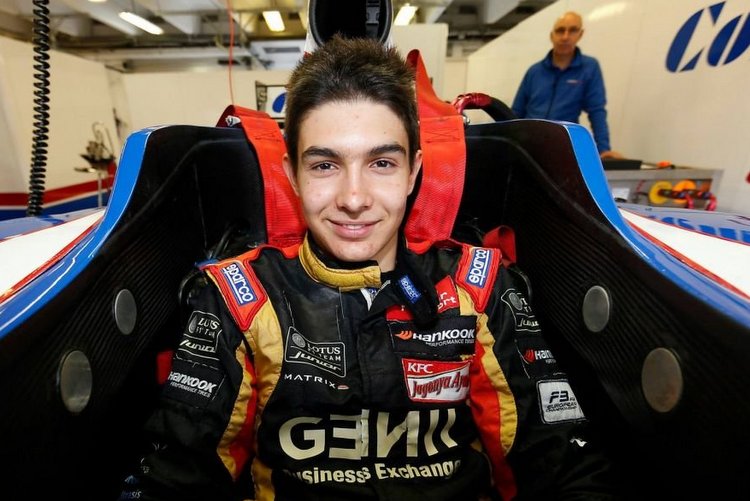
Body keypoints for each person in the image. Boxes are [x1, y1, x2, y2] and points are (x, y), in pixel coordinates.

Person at [120, 34, 617, 500]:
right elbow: (177, 476)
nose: (354, 198)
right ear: (292, 175)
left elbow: (563, 466)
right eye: (324, 165)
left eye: (381, 163)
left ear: (413, 172)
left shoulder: (479, 285)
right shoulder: (236, 296)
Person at [512, 11, 622, 159]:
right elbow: (516, 113)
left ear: (580, 34)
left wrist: (603, 149)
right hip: (529, 147)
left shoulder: (589, 68)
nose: (565, 37)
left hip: (564, 148)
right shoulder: (534, 71)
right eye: (560, 30)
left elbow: (596, 111)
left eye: (572, 30)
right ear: (552, 36)